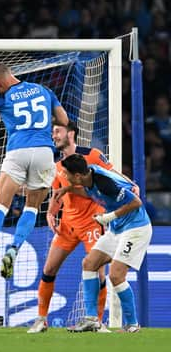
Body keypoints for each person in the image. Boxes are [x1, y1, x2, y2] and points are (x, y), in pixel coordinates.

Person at [0, 62, 68, 281]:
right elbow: (64, 121)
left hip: (17, 152)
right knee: (32, 207)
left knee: (0, 205)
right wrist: (43, 123)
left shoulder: (5, 97)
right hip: (44, 152)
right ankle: (13, 249)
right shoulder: (44, 90)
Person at [27, 122, 135, 333]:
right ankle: (41, 319)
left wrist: (131, 184)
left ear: (71, 133)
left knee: (98, 273)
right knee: (49, 270)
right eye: (53, 132)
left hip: (93, 223)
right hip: (68, 225)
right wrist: (51, 212)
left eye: (57, 131)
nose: (54, 135)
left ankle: (97, 322)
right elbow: (57, 193)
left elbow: (114, 174)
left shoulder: (93, 155)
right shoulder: (57, 165)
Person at [55, 154, 151, 333]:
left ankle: (132, 325)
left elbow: (136, 202)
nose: (64, 176)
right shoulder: (87, 177)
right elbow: (88, 192)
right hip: (117, 229)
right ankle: (92, 319)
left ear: (78, 176)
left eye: (66, 174)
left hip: (135, 229)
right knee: (89, 264)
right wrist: (67, 190)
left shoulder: (104, 182)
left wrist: (108, 217)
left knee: (116, 275)